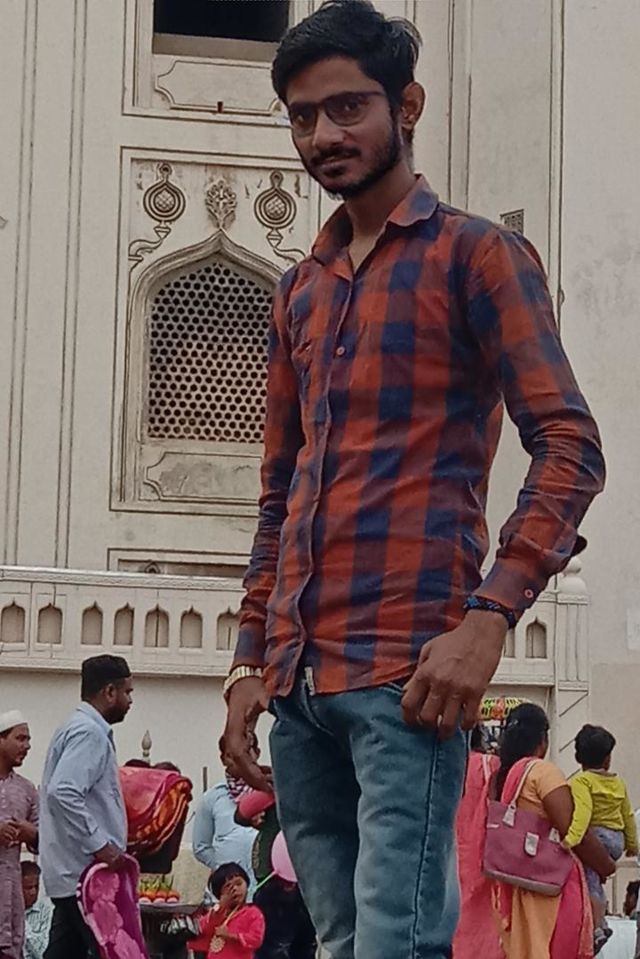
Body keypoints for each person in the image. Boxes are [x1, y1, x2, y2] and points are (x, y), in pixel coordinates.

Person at [222, 2, 606, 957]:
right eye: (303, 117)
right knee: (341, 939)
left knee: (396, 942)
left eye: (347, 108)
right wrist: (246, 658)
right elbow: (282, 490)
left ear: (408, 105)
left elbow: (569, 445)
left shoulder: (476, 257)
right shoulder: (300, 290)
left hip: (408, 674)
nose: (323, 135)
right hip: (299, 684)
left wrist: (488, 619)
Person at [492, 703, 608, 958]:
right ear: (542, 740)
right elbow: (573, 831)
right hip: (551, 887)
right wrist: (606, 865)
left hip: (519, 886)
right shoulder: (543, 772)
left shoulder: (502, 775)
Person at [40, 654, 133, 959]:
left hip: (73, 873)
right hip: (89, 877)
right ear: (109, 692)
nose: (130, 701)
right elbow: (63, 792)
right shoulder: (88, 732)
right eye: (127, 692)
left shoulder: (78, 727)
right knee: (115, 952)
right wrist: (101, 845)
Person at [563, 724, 638, 951]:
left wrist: (571, 839)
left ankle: (596, 927)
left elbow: (583, 813)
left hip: (597, 837)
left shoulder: (581, 781)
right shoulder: (618, 782)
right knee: (595, 879)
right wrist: (632, 845)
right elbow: (628, 815)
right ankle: (601, 922)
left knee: (590, 881)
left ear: (578, 757)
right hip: (616, 840)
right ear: (607, 758)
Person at [235, 792, 317, 959]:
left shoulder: (279, 790)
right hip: (293, 882)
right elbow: (241, 815)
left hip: (281, 885)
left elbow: (241, 814)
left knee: (276, 948)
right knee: (300, 947)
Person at [452, 726, 503, 958]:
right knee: (484, 930)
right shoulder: (490, 765)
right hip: (484, 859)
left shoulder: (446, 765)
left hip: (449, 856)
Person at [192, 737, 258, 892]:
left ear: (257, 754)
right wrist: (223, 868)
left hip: (263, 888)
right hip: (227, 892)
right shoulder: (213, 797)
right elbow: (201, 847)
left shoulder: (269, 794)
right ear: (223, 759)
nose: (239, 758)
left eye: (247, 751)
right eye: (231, 754)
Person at [0, 710, 38, 959]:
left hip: (10, 894)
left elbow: (44, 838)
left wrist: (30, 833)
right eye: (20, 738)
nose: (27, 746)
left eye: (28, 740)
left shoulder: (27, 789)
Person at [189, 863, 265, 959]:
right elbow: (201, 929)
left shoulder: (253, 913)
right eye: (228, 887)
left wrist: (231, 936)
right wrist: (220, 907)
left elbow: (256, 940)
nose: (235, 889)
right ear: (220, 895)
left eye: (239, 884)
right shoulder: (218, 913)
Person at [21, 862, 53, 959]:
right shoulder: (6, 911)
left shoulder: (46, 911)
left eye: (36, 886)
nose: (33, 892)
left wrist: (22, 923)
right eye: (28, 888)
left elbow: (42, 952)